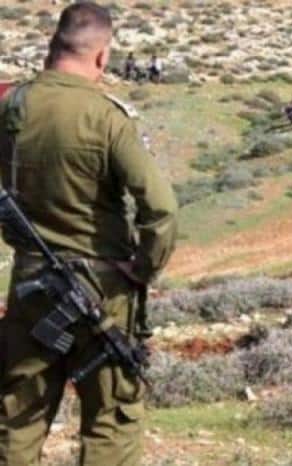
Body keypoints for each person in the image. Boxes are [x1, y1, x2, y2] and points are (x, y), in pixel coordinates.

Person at [0, 3, 178, 465]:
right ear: (102, 55)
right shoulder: (106, 117)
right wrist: (142, 268)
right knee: (110, 424)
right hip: (103, 293)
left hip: (31, 283)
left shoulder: (13, 107)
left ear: (52, 45)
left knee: (18, 419)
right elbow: (161, 208)